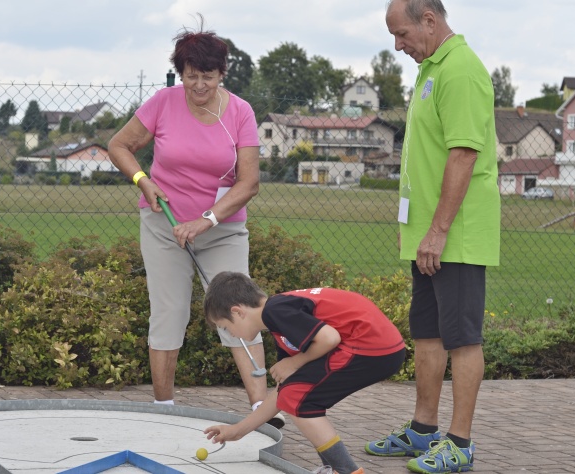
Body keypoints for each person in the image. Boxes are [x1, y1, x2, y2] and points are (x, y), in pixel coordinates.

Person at [107, 17, 284, 428]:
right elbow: (119, 145)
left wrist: (206, 220)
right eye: (190, 77)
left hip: (221, 229)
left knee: (240, 311)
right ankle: (164, 410)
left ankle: (261, 410)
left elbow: (250, 183)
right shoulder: (163, 102)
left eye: (208, 77)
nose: (198, 86)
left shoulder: (240, 112)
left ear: (223, 73)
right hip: (164, 226)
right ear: (180, 72)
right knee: (168, 312)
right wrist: (143, 180)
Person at [364, 1, 500, 473]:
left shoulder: (460, 69)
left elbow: (463, 154)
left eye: (401, 35)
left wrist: (440, 230)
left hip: (454, 233)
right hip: (428, 233)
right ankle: (423, 431)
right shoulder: (430, 68)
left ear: (429, 21)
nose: (398, 46)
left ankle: (459, 443)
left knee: (462, 338)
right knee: (427, 331)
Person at [203, 272, 406, 474]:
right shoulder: (279, 319)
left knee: (298, 399)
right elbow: (284, 391)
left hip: (371, 345)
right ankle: (337, 469)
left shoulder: (275, 311)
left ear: (238, 312)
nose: (231, 335)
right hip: (381, 346)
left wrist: (295, 361)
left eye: (225, 327)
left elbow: (329, 338)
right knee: (294, 394)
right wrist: (238, 431)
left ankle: (345, 471)